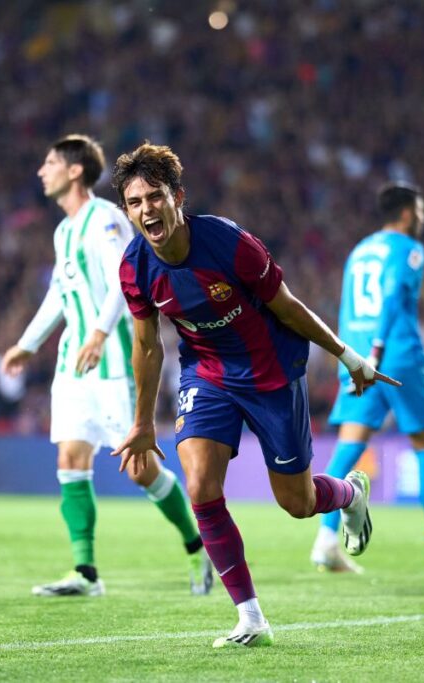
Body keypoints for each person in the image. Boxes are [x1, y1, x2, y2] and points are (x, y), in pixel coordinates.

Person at [111, 143, 400, 648]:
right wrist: (141, 422)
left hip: (271, 372)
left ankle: (350, 495)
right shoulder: (135, 267)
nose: (146, 210)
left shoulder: (229, 243)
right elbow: (147, 345)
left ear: (178, 197)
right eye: (135, 203)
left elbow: (287, 307)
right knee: (201, 486)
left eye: (155, 197)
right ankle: (250, 618)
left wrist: (347, 356)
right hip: (207, 374)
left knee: (297, 502)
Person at [1, 134, 212, 597]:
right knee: (70, 459)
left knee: (139, 469)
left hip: (113, 361)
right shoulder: (64, 231)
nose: (42, 171)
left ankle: (197, 545)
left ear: (75, 170)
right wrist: (27, 344)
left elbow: (124, 278)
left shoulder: (105, 219)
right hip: (74, 366)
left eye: (50, 162)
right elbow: (59, 293)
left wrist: (98, 332)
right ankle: (85, 572)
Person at [311, 182, 424, 574]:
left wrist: (355, 357)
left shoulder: (359, 251)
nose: (422, 218)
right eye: (419, 212)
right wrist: (381, 350)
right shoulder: (409, 248)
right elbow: (390, 296)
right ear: (406, 214)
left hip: (356, 357)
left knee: (348, 447)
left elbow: (349, 308)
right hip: (395, 356)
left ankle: (325, 542)